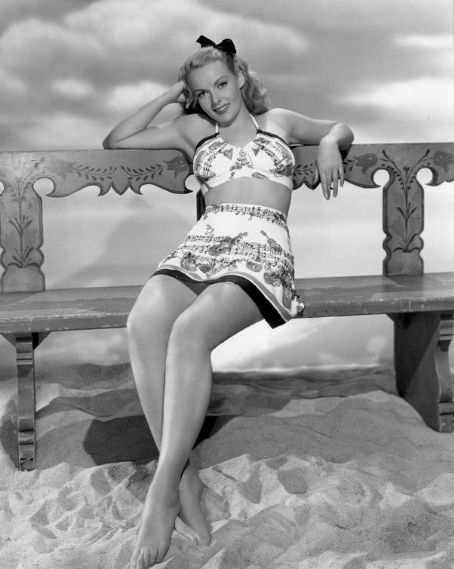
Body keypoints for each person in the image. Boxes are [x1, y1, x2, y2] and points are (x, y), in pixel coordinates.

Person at [103, 35, 354, 568]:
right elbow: (116, 140)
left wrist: (331, 143)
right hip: (204, 243)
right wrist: (172, 93)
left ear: (239, 77)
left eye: (221, 83)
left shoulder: (278, 122)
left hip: (261, 248)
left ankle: (162, 490)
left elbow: (339, 127)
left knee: (189, 332)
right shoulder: (194, 131)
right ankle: (183, 480)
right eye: (202, 92)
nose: (215, 98)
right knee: (144, 322)